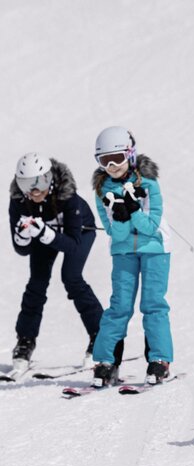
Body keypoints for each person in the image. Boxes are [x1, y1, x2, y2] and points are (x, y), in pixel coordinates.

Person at [91, 126, 173, 387]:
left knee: (152, 304)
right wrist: (123, 216)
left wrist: (134, 209)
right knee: (120, 306)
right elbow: (116, 234)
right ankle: (106, 361)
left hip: (155, 249)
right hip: (123, 250)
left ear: (131, 154)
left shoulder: (149, 183)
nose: (112, 166)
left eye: (117, 158)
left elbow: (150, 226)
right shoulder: (102, 189)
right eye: (105, 161)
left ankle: (159, 360)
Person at [9, 152, 104, 377]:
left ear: (50, 179)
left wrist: (45, 233)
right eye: (26, 184)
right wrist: (22, 238)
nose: (34, 191)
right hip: (44, 235)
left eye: (39, 182)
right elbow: (21, 250)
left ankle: (100, 336)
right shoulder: (19, 202)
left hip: (80, 232)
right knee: (37, 283)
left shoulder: (67, 197)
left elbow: (72, 245)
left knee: (71, 278)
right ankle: (25, 341)